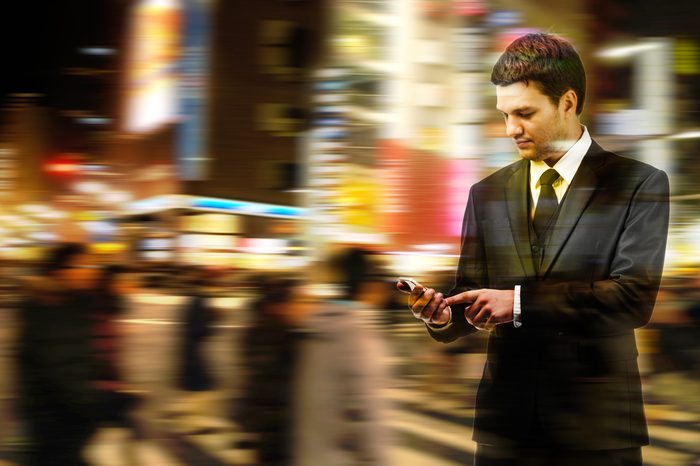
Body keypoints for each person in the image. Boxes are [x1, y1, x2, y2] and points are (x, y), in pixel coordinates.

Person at [400, 33, 669, 466]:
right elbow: (472, 291)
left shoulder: (638, 184)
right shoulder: (485, 193)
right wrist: (444, 313)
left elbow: (633, 299)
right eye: (505, 114)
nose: (511, 129)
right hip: (505, 428)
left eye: (524, 113)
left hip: (596, 429)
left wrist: (520, 303)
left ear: (567, 102)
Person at [293, 247, 393, 466]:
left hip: (309, 452)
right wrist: (379, 459)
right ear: (370, 286)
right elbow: (368, 413)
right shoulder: (359, 334)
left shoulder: (315, 325)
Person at [17, 243, 102, 466]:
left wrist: (103, 373)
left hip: (62, 415)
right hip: (54, 416)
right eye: (84, 265)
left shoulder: (71, 303)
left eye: (93, 264)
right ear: (60, 270)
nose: (92, 270)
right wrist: (96, 404)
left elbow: (77, 353)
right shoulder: (49, 306)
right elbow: (61, 366)